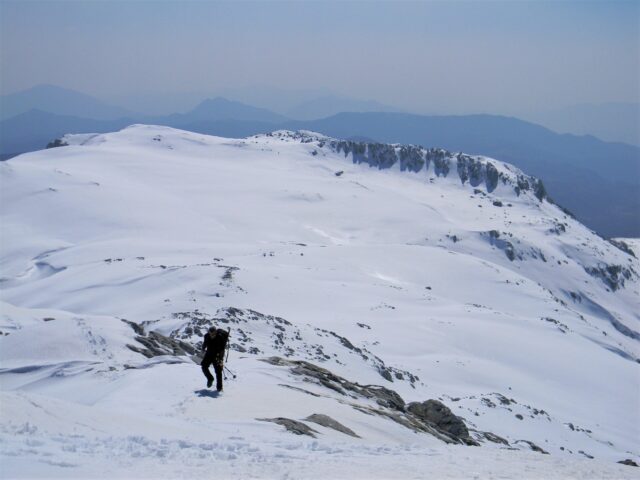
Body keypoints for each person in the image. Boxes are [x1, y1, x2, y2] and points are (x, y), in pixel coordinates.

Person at [201, 326, 228, 391]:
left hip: (217, 355)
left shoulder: (220, 337)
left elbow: (222, 348)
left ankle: (219, 388)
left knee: (218, 371)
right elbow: (205, 343)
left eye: (213, 334)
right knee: (204, 366)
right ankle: (210, 378)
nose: (212, 335)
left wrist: (220, 358)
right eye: (211, 334)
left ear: (216, 332)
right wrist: (203, 348)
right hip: (209, 354)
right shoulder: (206, 336)